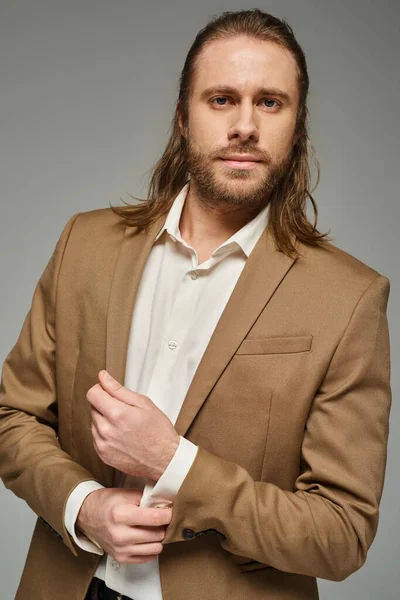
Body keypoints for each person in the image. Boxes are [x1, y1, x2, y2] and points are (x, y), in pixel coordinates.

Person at [0, 9, 392, 600]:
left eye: (269, 103)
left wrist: (175, 463)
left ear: (297, 124)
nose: (244, 125)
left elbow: (341, 534)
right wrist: (82, 506)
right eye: (221, 99)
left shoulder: (349, 298)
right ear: (183, 118)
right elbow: (13, 418)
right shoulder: (85, 243)